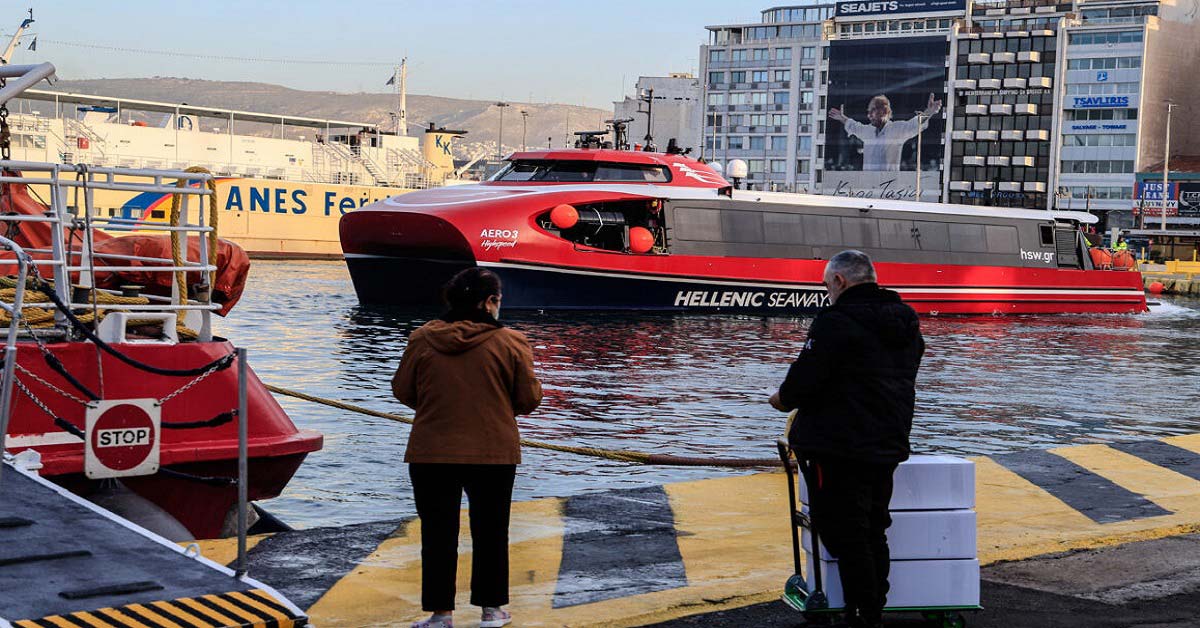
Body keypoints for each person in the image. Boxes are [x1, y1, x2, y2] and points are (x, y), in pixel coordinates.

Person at [769, 250, 925, 628]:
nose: (827, 293)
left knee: (841, 529)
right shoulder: (905, 320)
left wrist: (781, 400)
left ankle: (863, 613)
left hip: (837, 447)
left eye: (826, 286)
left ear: (839, 281)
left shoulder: (836, 321)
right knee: (873, 526)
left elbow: (806, 378)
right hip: (887, 440)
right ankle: (870, 607)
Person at [393, 267, 543, 628]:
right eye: (498, 300)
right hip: (493, 452)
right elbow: (529, 399)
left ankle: (441, 615)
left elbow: (402, 390)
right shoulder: (511, 342)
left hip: (431, 451)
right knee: (491, 531)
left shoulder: (422, 338)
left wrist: (439, 406)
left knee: (437, 534)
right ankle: (491, 611)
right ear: (489, 302)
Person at [828, 94, 942, 172]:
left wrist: (929, 111)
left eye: (873, 110)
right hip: (867, 190)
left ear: (885, 111)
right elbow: (853, 126)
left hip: (888, 189)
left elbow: (914, 124)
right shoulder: (867, 131)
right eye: (868, 111)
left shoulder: (896, 129)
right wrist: (841, 118)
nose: (869, 115)